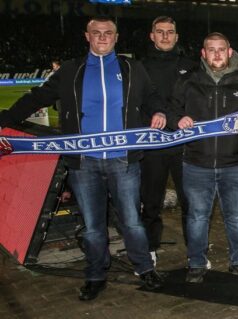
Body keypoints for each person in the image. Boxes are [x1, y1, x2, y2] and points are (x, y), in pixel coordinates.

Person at [0, 16, 165, 300]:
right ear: (87, 36)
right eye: (96, 32)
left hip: (124, 160)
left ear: (116, 37)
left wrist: (159, 112)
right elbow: (36, 97)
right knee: (92, 226)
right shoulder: (70, 70)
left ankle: (145, 268)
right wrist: (5, 121)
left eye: (108, 33)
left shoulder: (131, 68)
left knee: (132, 221)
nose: (102, 37)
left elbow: (151, 97)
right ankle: (95, 275)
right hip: (83, 162)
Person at [170, 32, 238, 284]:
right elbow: (172, 107)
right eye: (211, 49)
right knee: (197, 216)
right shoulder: (189, 81)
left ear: (230, 52)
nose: (216, 54)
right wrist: (177, 119)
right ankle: (196, 262)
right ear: (203, 53)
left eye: (221, 49)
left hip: (234, 164)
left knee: (236, 217)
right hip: (196, 163)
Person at [140, 16, 197, 261]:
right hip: (153, 144)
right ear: (152, 36)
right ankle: (150, 249)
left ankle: (195, 251)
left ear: (176, 36)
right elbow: (139, 100)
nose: (165, 36)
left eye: (170, 32)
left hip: (184, 144)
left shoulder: (191, 65)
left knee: (190, 202)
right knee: (151, 201)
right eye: (160, 32)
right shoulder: (139, 66)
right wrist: (157, 112)